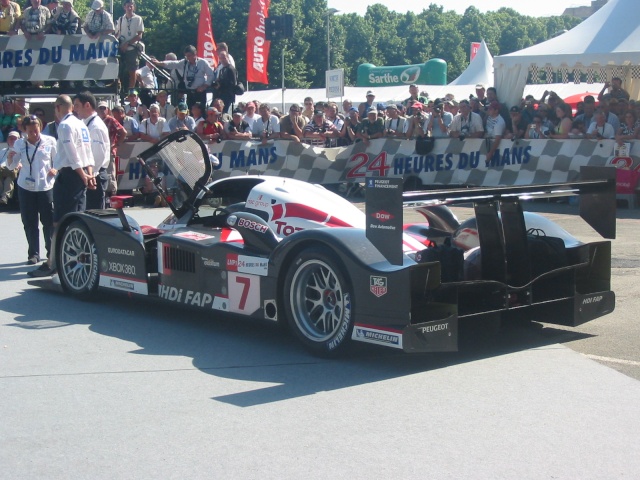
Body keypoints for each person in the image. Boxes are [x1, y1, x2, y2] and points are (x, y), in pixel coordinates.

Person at [7, 117, 56, 266]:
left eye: (36, 130)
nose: (34, 134)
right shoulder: (19, 143)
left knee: (48, 221)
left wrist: (56, 169)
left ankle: (50, 252)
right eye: (30, 131)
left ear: (40, 127)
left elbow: (58, 159)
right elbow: (11, 166)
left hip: (45, 186)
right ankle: (33, 253)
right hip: (25, 187)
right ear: (25, 131)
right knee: (29, 221)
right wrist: (10, 159)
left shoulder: (50, 141)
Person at [73, 91, 109, 210]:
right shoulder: (86, 123)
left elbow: (98, 155)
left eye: (77, 105)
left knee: (95, 214)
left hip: (95, 175)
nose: (75, 109)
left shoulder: (95, 127)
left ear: (87, 105)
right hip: (89, 175)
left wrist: (90, 175)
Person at [96, 101, 126, 194]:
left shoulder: (111, 120)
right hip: (99, 150)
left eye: (104, 108)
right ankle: (103, 193)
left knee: (110, 173)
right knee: (100, 173)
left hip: (109, 151)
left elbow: (123, 132)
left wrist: (116, 144)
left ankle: (112, 194)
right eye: (100, 108)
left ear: (108, 110)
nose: (102, 110)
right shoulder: (96, 120)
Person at [115, 0, 144, 92]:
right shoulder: (120, 19)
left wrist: (127, 44)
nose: (129, 8)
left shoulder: (138, 19)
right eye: (128, 6)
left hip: (132, 48)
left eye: (131, 6)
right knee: (117, 70)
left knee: (132, 71)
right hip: (121, 49)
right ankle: (118, 89)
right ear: (124, 7)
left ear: (134, 7)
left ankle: (131, 92)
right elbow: (117, 34)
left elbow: (139, 35)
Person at [0, 130, 20, 205]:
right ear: (7, 140)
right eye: (10, 138)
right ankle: (4, 196)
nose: (12, 140)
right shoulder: (3, 151)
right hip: (3, 169)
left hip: (14, 169)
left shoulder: (20, 150)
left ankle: (4, 196)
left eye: (14, 138)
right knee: (7, 178)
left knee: (10, 173)